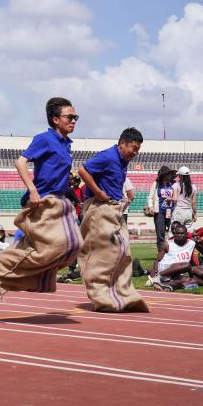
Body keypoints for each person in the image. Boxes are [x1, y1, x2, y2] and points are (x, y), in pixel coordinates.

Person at [0, 97, 82, 296]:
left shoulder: (66, 144)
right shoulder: (44, 139)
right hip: (42, 201)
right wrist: (32, 190)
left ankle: (37, 277)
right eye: (70, 117)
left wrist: (72, 198)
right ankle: (3, 263)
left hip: (59, 201)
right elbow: (20, 162)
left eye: (76, 117)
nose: (74, 120)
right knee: (58, 246)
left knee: (75, 244)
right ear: (55, 119)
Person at [77, 127, 149, 313]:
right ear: (122, 143)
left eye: (137, 150)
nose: (135, 153)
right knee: (104, 255)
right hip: (100, 209)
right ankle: (102, 298)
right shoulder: (108, 156)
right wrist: (99, 192)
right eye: (133, 148)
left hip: (115, 208)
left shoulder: (122, 161)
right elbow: (82, 170)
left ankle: (124, 295)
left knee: (124, 252)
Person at [146, 166, 175, 251]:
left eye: (169, 174)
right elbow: (150, 197)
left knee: (172, 232)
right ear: (163, 175)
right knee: (160, 234)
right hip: (159, 212)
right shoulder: (156, 184)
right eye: (167, 174)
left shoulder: (173, 184)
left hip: (171, 211)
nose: (168, 175)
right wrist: (151, 206)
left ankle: (172, 252)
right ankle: (161, 253)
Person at [171, 166, 197, 231]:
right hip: (189, 211)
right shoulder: (193, 187)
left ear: (181, 176)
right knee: (188, 233)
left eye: (179, 175)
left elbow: (175, 199)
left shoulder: (176, 185)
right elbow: (193, 202)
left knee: (175, 232)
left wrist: (169, 199)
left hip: (178, 211)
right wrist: (194, 214)